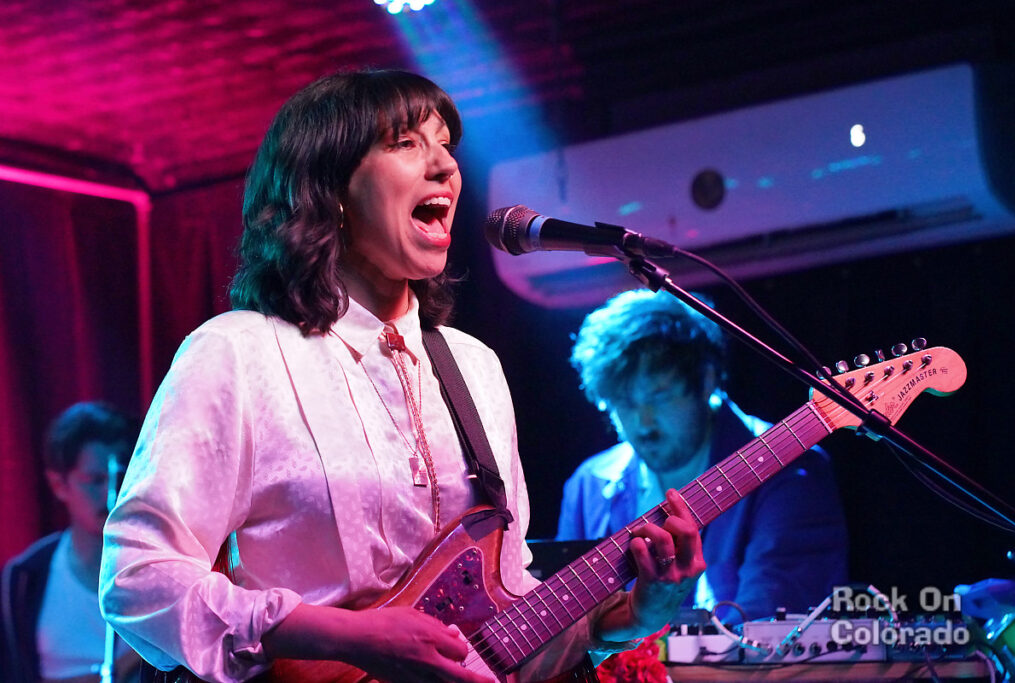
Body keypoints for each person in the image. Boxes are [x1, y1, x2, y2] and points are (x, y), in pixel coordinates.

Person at [98, 69, 706, 683]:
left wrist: (628, 617)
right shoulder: (239, 352)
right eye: (406, 143)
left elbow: (504, 617)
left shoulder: (474, 367)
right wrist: (345, 636)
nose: (445, 166)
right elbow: (138, 579)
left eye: (445, 145)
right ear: (331, 188)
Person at [557, 289, 848, 623]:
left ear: (706, 378)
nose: (643, 423)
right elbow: (569, 624)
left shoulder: (789, 470)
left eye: (660, 396)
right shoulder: (589, 484)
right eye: (624, 403)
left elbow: (767, 632)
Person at [1, 401, 138, 683]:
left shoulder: (161, 565)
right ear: (59, 485)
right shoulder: (26, 577)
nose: (111, 494)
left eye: (118, 478)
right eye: (95, 480)